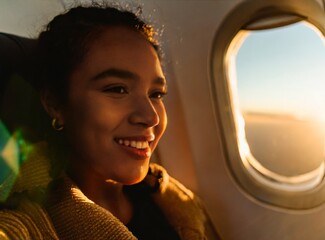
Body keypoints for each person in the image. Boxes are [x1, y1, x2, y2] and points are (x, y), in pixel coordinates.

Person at [0, 3, 219, 239]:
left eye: (156, 94)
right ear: (55, 103)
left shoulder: (176, 202)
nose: (151, 117)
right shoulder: (23, 224)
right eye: (118, 89)